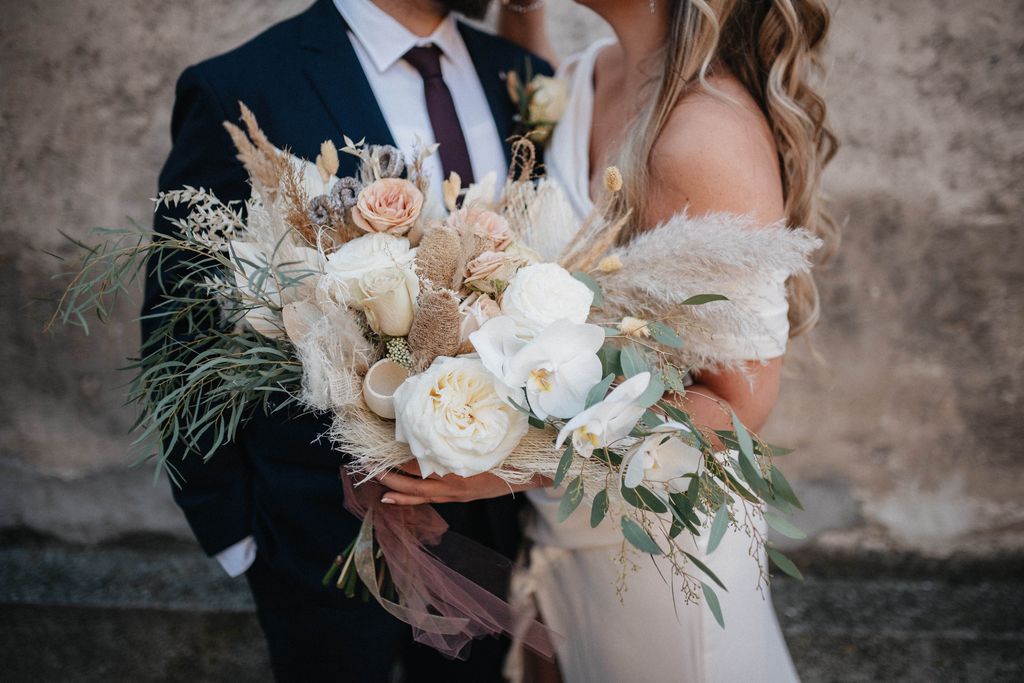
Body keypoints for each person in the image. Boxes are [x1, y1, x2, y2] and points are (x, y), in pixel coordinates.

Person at [382, 0, 838, 680]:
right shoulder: (592, 73)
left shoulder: (703, 137)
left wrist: (510, 460)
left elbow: (738, 407)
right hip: (564, 528)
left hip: (656, 551)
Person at [144, 1, 551, 680]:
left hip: (495, 527)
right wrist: (234, 533)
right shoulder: (245, 86)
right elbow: (180, 323)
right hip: (318, 541)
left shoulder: (521, 78)